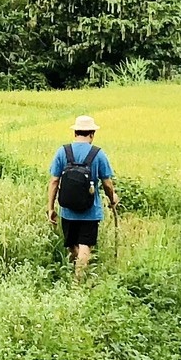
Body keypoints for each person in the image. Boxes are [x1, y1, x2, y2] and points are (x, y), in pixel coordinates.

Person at [48, 114, 117, 279]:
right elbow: (107, 183)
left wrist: (50, 208)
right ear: (92, 133)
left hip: (67, 210)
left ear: (75, 133)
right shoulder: (98, 154)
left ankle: (77, 274)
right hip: (90, 211)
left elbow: (54, 182)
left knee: (72, 246)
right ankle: (78, 284)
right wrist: (112, 198)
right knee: (85, 246)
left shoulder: (62, 152)